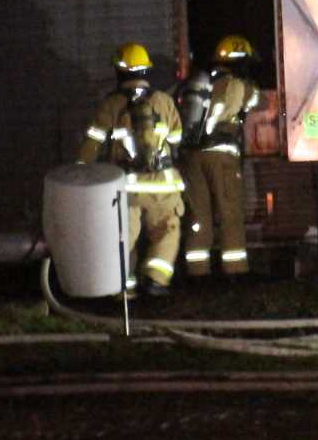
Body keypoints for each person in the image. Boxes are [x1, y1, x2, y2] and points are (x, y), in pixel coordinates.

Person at [79, 42, 185, 297]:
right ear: (147, 71)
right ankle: (155, 279)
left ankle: (123, 289)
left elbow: (92, 144)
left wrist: (81, 173)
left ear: (119, 71)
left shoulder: (111, 105)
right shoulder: (164, 101)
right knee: (167, 232)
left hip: (126, 187)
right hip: (162, 185)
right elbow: (177, 139)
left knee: (123, 238)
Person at [178, 34, 262, 280]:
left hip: (191, 156)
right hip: (221, 156)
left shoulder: (199, 83)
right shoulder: (237, 85)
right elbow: (258, 99)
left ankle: (197, 272)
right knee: (230, 212)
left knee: (199, 216)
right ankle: (235, 270)